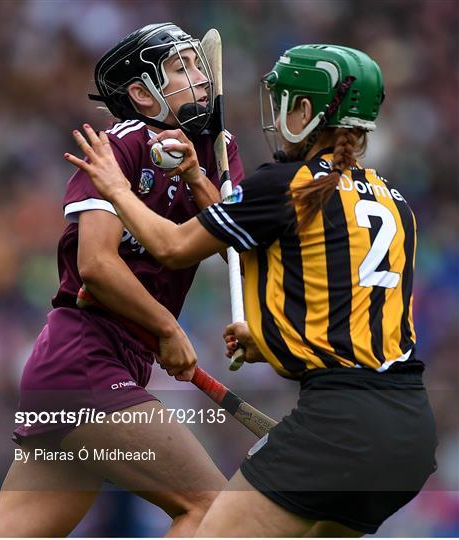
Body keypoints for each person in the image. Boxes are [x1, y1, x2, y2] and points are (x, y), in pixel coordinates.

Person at [65, 44, 438, 537]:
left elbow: (173, 246)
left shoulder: (289, 184)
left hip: (338, 424)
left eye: (285, 101)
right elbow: (356, 316)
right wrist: (269, 341)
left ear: (306, 111)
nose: (277, 114)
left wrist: (114, 188)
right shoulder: (396, 203)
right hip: (409, 434)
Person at [0, 23, 244, 537]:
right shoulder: (118, 147)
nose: (198, 79)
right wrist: (167, 327)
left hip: (104, 363)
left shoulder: (217, 152)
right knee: (209, 508)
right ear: (143, 94)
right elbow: (96, 268)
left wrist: (195, 176)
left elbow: (229, 242)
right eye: (179, 69)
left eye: (197, 66)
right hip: (84, 357)